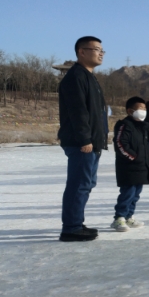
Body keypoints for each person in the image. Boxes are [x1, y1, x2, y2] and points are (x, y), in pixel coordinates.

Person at [57, 36, 108, 242]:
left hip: (92, 141)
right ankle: (71, 228)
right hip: (81, 143)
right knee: (79, 184)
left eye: (102, 50)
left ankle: (76, 222)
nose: (101, 53)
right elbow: (78, 112)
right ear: (82, 52)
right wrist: (85, 139)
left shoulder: (89, 77)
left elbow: (96, 113)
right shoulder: (76, 77)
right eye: (96, 49)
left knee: (86, 183)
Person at [111, 96, 149, 231]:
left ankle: (129, 216)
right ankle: (119, 218)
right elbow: (120, 143)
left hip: (141, 166)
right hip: (128, 167)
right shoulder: (124, 125)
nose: (143, 111)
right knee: (127, 193)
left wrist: (147, 158)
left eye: (145, 108)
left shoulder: (142, 127)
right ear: (130, 111)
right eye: (140, 108)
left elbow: (144, 145)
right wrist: (133, 157)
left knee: (136, 194)